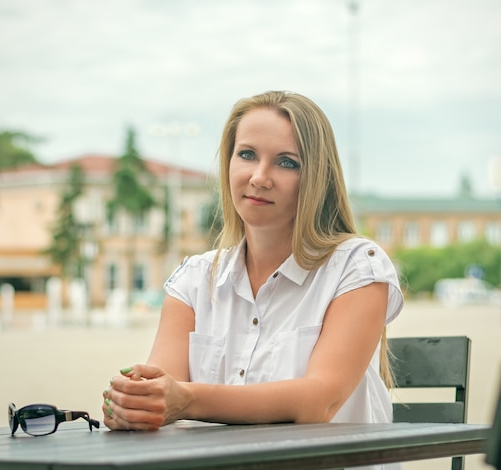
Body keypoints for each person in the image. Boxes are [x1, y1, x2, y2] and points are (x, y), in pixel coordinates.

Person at [102, 90, 403, 431]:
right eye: (246, 154)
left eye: (287, 162)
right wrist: (135, 405)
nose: (259, 177)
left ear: (318, 177)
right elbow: (160, 393)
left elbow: (321, 400)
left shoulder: (358, 267)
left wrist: (186, 400)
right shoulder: (193, 281)